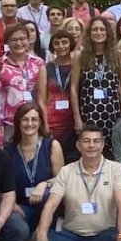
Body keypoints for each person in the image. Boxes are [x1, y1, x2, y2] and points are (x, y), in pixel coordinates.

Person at [34, 125, 121, 241]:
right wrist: (41, 235)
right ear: (78, 145)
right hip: (73, 234)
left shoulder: (116, 169)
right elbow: (51, 205)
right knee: (43, 235)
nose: (91, 145)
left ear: (102, 145)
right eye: (86, 141)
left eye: (96, 141)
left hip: (104, 234)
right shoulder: (66, 171)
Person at [71, 17, 121, 156]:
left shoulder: (118, 55)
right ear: (89, 33)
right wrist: (77, 118)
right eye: (95, 29)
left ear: (108, 32)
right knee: (90, 150)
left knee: (111, 153)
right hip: (89, 113)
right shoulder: (81, 55)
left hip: (112, 114)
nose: (99, 32)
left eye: (102, 29)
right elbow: (73, 88)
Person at [5, 103, 64, 232]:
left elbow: (61, 178)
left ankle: (47, 234)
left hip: (45, 203)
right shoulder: (8, 151)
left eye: (34, 119)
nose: (29, 124)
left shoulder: (52, 146)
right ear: (18, 123)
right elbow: (3, 185)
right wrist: (12, 205)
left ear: (40, 122)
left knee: (49, 194)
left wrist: (44, 184)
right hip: (21, 206)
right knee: (17, 230)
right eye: (25, 119)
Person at [0, 25, 47, 142]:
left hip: (32, 120)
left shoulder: (38, 63)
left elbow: (41, 97)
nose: (18, 43)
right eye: (13, 40)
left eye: (22, 39)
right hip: (8, 121)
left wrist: (45, 123)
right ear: (7, 42)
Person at [45, 30, 77, 162]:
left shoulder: (78, 65)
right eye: (56, 43)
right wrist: (45, 123)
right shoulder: (46, 68)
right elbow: (41, 99)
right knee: (54, 157)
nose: (61, 46)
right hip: (53, 119)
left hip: (73, 117)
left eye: (64, 42)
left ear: (71, 44)